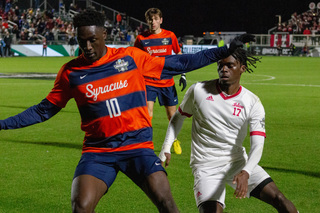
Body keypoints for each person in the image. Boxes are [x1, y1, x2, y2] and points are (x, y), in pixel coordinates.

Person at [0, 9, 249, 213]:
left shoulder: (130, 58)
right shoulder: (70, 73)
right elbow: (44, 110)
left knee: (167, 204)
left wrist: (223, 50)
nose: (86, 46)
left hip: (137, 147)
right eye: (81, 41)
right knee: (80, 207)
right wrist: (2, 123)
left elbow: (179, 62)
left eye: (92, 40)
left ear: (104, 35)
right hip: (98, 151)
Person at [159, 45, 298, 212]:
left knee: (279, 199)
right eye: (220, 65)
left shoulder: (252, 102)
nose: (223, 69)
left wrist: (246, 171)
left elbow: (257, 145)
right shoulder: (198, 91)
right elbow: (178, 117)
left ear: (242, 68)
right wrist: (166, 146)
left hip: (237, 162)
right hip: (206, 166)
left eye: (229, 65)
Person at [134, 8, 186, 155]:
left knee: (172, 116)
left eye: (156, 19)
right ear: (147, 21)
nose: (153, 22)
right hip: (149, 81)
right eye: (150, 19)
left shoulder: (170, 36)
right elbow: (135, 58)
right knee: (147, 114)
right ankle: (146, 143)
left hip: (167, 82)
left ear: (161, 20)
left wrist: (183, 74)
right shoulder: (141, 39)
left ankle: (174, 140)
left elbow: (179, 54)